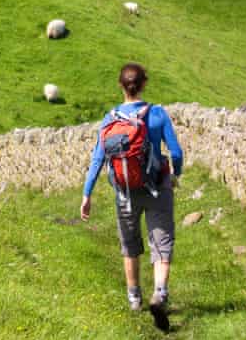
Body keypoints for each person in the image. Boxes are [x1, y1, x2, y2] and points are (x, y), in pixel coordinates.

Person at [79, 63, 183, 332]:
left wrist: (87, 193)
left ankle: (134, 298)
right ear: (144, 84)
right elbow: (176, 152)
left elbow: (98, 158)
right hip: (157, 187)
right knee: (162, 242)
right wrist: (176, 174)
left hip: (124, 192)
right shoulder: (157, 114)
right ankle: (159, 293)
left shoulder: (110, 119)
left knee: (130, 244)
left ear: (121, 86)